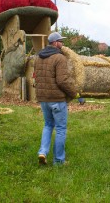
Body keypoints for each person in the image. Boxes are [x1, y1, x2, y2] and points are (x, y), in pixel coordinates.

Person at [34, 32, 77, 165]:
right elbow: (62, 81)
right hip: (57, 100)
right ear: (55, 43)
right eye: (60, 41)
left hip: (43, 99)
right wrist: (74, 93)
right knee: (60, 129)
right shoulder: (59, 58)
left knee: (47, 126)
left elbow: (36, 77)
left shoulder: (38, 57)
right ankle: (58, 160)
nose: (62, 44)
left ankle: (42, 152)